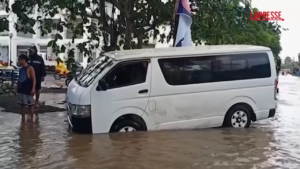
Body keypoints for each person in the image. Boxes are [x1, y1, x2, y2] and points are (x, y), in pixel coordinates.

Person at [16, 54, 36, 122]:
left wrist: (33, 88)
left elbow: (34, 79)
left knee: (31, 105)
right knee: (22, 105)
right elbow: (19, 79)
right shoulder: (21, 69)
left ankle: (31, 120)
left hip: (28, 89)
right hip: (21, 89)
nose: (18, 61)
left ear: (23, 60)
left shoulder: (30, 68)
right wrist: (17, 87)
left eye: (19, 60)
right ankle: (23, 120)